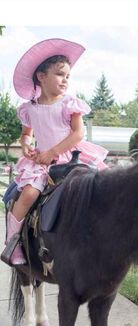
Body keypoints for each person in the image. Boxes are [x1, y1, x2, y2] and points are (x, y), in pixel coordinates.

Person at [2, 38, 109, 265]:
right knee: (30, 193)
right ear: (42, 76)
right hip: (42, 160)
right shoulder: (30, 108)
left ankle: (105, 238)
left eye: (68, 76)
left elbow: (78, 134)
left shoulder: (70, 103)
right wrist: (26, 145)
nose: (65, 80)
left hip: (70, 154)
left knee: (103, 186)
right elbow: (26, 134)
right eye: (60, 74)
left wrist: (53, 152)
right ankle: (13, 242)